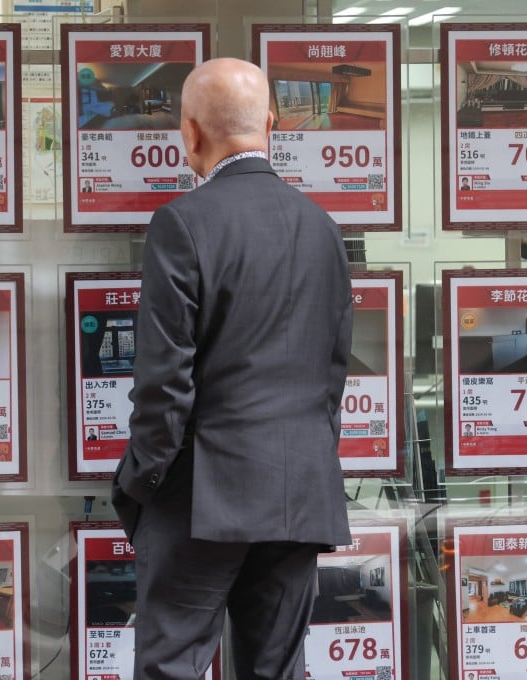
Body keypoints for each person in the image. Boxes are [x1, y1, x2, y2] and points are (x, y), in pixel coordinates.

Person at [111, 57, 352, 680]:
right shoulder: (324, 228)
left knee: (171, 667)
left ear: (189, 133)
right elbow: (332, 376)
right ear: (271, 123)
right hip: (298, 493)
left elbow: (164, 381)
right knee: (276, 670)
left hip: (200, 496)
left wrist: (142, 484)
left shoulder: (182, 224)